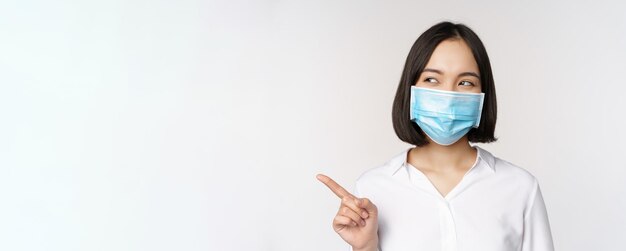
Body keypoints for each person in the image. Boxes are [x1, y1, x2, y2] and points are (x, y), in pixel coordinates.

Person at [316, 21, 555, 251]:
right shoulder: (372, 188)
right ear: (411, 89)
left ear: (483, 94)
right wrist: (364, 247)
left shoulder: (520, 188)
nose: (448, 95)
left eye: (465, 82)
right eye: (432, 79)